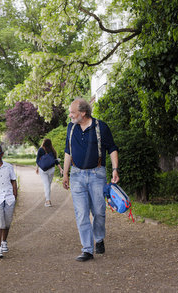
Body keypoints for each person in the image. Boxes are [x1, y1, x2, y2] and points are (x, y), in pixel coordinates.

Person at [62, 98, 119, 262]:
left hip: (97, 175)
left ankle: (99, 238)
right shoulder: (71, 127)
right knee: (81, 214)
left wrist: (115, 169)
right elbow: (68, 151)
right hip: (77, 175)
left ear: (83, 113)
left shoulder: (101, 127)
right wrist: (65, 173)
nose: (70, 115)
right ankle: (87, 249)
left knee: (99, 212)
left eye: (72, 112)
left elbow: (112, 149)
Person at [36, 138, 63, 207]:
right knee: (48, 185)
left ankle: (47, 201)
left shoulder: (40, 149)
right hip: (51, 169)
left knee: (46, 185)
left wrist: (37, 168)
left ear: (43, 143)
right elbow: (56, 161)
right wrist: (60, 168)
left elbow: (37, 160)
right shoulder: (53, 151)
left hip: (43, 170)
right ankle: (48, 200)